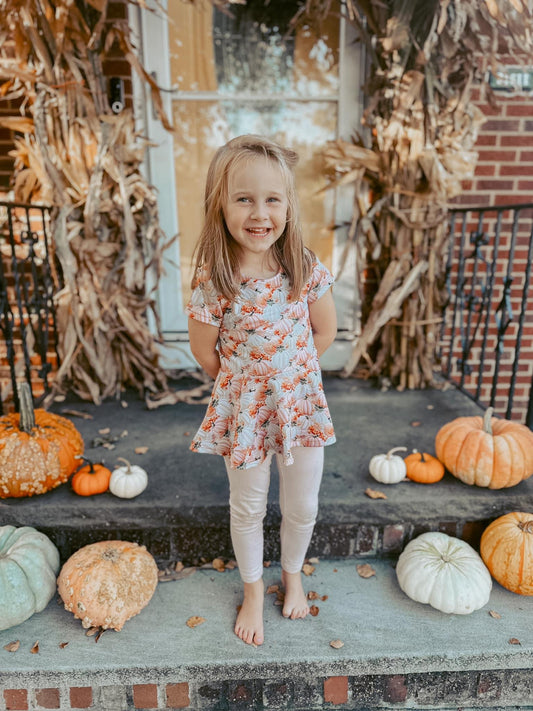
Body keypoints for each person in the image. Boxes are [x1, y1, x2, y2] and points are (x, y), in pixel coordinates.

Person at [186, 134, 337, 646]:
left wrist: (290, 381)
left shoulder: (303, 267)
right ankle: (253, 590)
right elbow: (204, 350)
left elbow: (325, 331)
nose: (259, 212)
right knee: (248, 505)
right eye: (244, 198)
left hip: (301, 408)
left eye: (272, 199)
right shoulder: (215, 277)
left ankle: (291, 574)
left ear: (289, 206)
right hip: (246, 411)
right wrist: (245, 389)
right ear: (221, 204)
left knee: (303, 504)